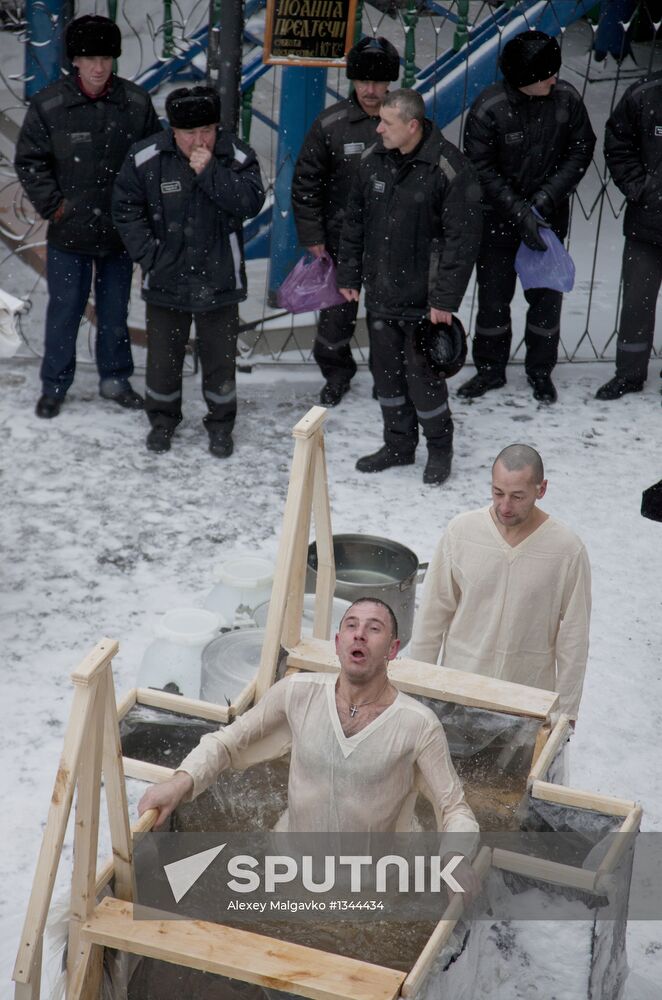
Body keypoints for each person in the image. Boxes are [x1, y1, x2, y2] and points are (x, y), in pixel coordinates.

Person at [138, 597, 479, 837]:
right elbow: (227, 743)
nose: (359, 634)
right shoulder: (297, 693)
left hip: (376, 882)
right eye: (351, 626)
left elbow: (455, 810)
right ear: (338, 642)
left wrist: (456, 860)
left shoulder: (418, 725)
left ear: (392, 649)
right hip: (290, 864)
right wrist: (179, 782)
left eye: (374, 628)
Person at [14, 14, 161, 419]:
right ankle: (55, 386)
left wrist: (141, 212)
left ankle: (115, 379)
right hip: (70, 231)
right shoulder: (50, 104)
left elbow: (154, 160)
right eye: (89, 57)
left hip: (120, 232)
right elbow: (30, 162)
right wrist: (55, 206)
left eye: (106, 57)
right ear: (74, 61)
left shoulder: (134, 103)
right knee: (65, 309)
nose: (99, 67)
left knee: (115, 311)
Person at [336, 89, 482, 485]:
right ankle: (398, 446)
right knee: (386, 377)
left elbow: (462, 239)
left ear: (413, 126)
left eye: (387, 122)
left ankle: (439, 448)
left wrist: (445, 299)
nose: (378, 127)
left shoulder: (448, 167)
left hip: (424, 303)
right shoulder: (372, 161)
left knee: (424, 381)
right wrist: (348, 275)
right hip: (382, 296)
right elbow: (354, 224)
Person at [112, 86, 265, 457]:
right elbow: (125, 208)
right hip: (166, 279)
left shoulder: (236, 155)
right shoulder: (146, 156)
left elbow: (250, 201)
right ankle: (162, 422)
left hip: (220, 281)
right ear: (173, 131)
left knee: (220, 362)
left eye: (208, 131)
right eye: (190, 133)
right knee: (163, 360)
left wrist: (211, 171)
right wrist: (151, 256)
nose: (201, 140)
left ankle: (221, 425)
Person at [459, 31, 595, 404]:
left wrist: (545, 200)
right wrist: (520, 212)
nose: (555, 79)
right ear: (524, 79)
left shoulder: (566, 98)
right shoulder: (490, 108)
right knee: (493, 301)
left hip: (548, 221)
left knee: (546, 301)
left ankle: (540, 371)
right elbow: (480, 169)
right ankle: (489, 370)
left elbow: (581, 149)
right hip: (497, 221)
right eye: (545, 75)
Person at [410, 444, 591, 722]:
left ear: (541, 490)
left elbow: (574, 638)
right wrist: (417, 687)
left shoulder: (566, 549)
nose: (505, 506)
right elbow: (433, 613)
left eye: (518, 496)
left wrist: (565, 715)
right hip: (459, 692)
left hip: (526, 702)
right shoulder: (461, 532)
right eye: (498, 493)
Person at [291, 36, 400, 408]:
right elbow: (306, 181)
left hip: (391, 241)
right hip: (339, 243)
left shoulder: (407, 122)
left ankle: (388, 378)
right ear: (352, 81)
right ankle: (336, 374)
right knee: (336, 319)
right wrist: (312, 234)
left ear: (390, 83)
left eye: (378, 82)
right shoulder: (331, 124)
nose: (370, 90)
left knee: (388, 317)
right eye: (362, 82)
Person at [596, 71, 662, 401]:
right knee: (637, 304)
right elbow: (617, 143)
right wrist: (641, 187)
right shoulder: (644, 95)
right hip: (647, 226)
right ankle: (629, 374)